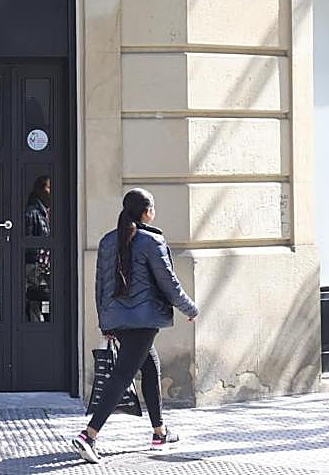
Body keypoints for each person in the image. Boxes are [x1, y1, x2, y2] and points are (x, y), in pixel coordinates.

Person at [71, 188, 198, 464]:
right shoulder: (152, 241)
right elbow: (169, 284)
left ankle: (159, 433)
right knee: (122, 375)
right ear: (146, 212)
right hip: (144, 321)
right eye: (152, 208)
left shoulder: (107, 241)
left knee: (149, 366)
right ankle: (89, 435)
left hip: (118, 320)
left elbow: (99, 286)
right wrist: (191, 308)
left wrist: (105, 320)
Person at [24, 176, 53, 322]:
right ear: (40, 190)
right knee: (36, 296)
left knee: (45, 296)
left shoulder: (47, 211)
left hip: (45, 265)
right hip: (35, 265)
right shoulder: (32, 213)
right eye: (48, 187)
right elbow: (28, 242)